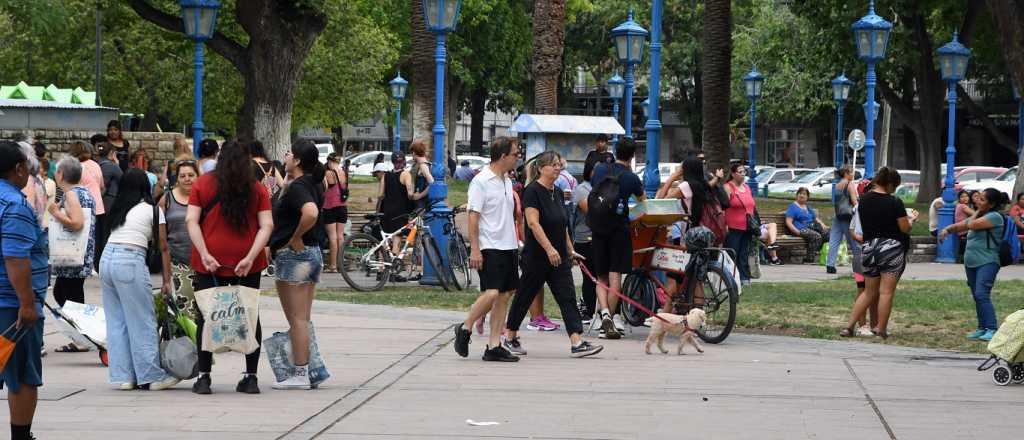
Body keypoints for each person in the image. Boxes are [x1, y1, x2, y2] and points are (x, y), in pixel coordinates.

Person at [186, 140, 273, 395]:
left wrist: (204, 253)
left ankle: (204, 377)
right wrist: (250, 256)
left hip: (209, 261)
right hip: (248, 262)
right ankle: (251, 376)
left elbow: (192, 221)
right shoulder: (257, 189)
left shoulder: (202, 184)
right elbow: (266, 225)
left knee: (206, 315)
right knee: (249, 315)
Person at [503, 151, 603, 358]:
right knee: (525, 296)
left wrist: (570, 250)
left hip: (559, 257)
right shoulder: (532, 191)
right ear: (541, 168)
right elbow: (533, 223)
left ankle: (577, 342)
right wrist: (549, 249)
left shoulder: (557, 192)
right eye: (553, 165)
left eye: (559, 164)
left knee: (567, 297)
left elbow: (562, 225)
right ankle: (510, 336)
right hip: (537, 256)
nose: (558, 168)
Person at [100, 169, 179, 391]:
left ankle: (124, 377)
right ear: (146, 187)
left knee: (117, 322)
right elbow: (163, 247)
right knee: (143, 320)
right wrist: (166, 279)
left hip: (107, 260)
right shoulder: (152, 211)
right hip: (129, 260)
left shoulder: (118, 209)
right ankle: (151, 376)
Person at [453, 137, 523, 361]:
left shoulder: (507, 180)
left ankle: (494, 345)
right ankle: (465, 327)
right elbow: (473, 217)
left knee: (504, 295)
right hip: (489, 245)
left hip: (508, 245)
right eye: (515, 154)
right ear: (503, 156)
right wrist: (475, 249)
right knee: (491, 292)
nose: (518, 157)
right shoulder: (481, 181)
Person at [269, 140, 326, 389]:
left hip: (296, 257)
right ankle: (307, 369)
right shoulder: (311, 183)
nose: (286, 155)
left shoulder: (299, 187)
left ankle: (300, 373)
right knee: (303, 318)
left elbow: (311, 212)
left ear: (299, 160)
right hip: (310, 255)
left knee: (297, 319)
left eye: (290, 152)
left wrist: (294, 237)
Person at [0, 140, 47, 440]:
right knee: (22, 375)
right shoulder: (15, 205)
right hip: (11, 305)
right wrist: (27, 304)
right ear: (18, 169)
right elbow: (16, 257)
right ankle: (21, 436)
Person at [841, 167, 917, 339]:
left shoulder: (864, 201)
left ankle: (849, 327)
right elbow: (904, 228)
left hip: (868, 248)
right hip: (891, 248)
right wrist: (911, 220)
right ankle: (880, 328)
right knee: (886, 292)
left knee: (868, 292)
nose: (894, 190)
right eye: (894, 186)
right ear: (889, 184)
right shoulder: (894, 202)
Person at [589, 137, 646, 339]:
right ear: (632, 156)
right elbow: (642, 204)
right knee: (615, 278)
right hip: (619, 231)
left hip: (598, 230)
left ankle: (603, 313)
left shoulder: (601, 171)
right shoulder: (631, 178)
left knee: (600, 276)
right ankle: (610, 319)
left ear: (615, 150)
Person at [939, 188, 1009, 342]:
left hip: (988, 261)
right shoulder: (982, 214)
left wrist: (978, 211)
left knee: (981, 294)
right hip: (972, 262)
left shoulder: (994, 217)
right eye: (978, 198)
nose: (977, 201)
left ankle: (991, 328)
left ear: (991, 204)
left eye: (982, 200)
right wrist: (947, 229)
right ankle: (982, 327)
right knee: (977, 296)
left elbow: (971, 224)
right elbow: (961, 225)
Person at [48, 158, 97, 352]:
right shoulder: (85, 192)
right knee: (65, 292)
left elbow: (77, 224)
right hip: (79, 254)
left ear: (60, 174)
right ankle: (81, 335)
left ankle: (82, 338)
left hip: (72, 255)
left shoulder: (71, 195)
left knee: (70, 296)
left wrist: (55, 212)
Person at [158, 161, 198, 271]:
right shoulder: (166, 199)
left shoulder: (205, 198)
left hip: (203, 260)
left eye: (191, 175)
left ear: (197, 176)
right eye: (182, 176)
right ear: (177, 179)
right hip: (176, 261)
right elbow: (159, 232)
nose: (187, 179)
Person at [572, 158, 598, 326]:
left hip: (599, 236)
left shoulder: (602, 188)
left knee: (599, 276)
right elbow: (591, 211)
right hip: (584, 237)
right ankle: (588, 310)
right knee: (589, 277)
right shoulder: (582, 189)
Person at [723, 163, 755, 285]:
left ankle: (744, 277)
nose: (743, 174)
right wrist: (724, 224)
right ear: (733, 174)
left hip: (747, 226)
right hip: (733, 226)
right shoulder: (728, 187)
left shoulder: (747, 187)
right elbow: (723, 207)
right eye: (740, 172)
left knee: (744, 253)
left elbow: (752, 205)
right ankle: (730, 277)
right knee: (733, 252)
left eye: (744, 172)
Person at [376, 155, 414, 258]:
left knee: (385, 240)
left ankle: (381, 268)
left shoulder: (386, 175)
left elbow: (380, 195)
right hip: (400, 212)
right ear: (404, 162)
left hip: (386, 211)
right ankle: (393, 267)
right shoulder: (406, 174)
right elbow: (410, 194)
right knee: (397, 238)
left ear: (392, 162)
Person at [827, 167, 860, 274]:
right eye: (852, 173)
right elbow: (854, 201)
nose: (853, 175)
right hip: (848, 216)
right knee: (853, 241)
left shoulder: (837, 185)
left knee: (834, 240)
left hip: (838, 215)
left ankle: (830, 265)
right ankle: (859, 264)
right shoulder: (850, 184)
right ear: (846, 173)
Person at [785, 187, 829, 264]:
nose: (802, 195)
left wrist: (823, 225)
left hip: (811, 227)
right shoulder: (793, 207)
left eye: (804, 194)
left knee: (828, 233)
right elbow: (788, 222)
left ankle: (818, 253)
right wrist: (796, 231)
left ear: (807, 197)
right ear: (797, 195)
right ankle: (809, 258)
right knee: (816, 236)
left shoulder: (807, 207)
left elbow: (815, 218)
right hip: (800, 229)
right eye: (800, 193)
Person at [322, 153, 347, 273]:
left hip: (329, 207)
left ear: (329, 161)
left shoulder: (328, 173)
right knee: (340, 236)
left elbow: (324, 188)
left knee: (332, 237)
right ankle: (341, 264)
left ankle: (333, 266)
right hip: (342, 207)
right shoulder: (343, 173)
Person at [409, 140, 434, 210]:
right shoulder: (427, 164)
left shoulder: (423, 165)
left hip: (422, 205)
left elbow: (432, 183)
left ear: (414, 152)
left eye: (411, 153)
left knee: (419, 221)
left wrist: (419, 196)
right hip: (423, 203)